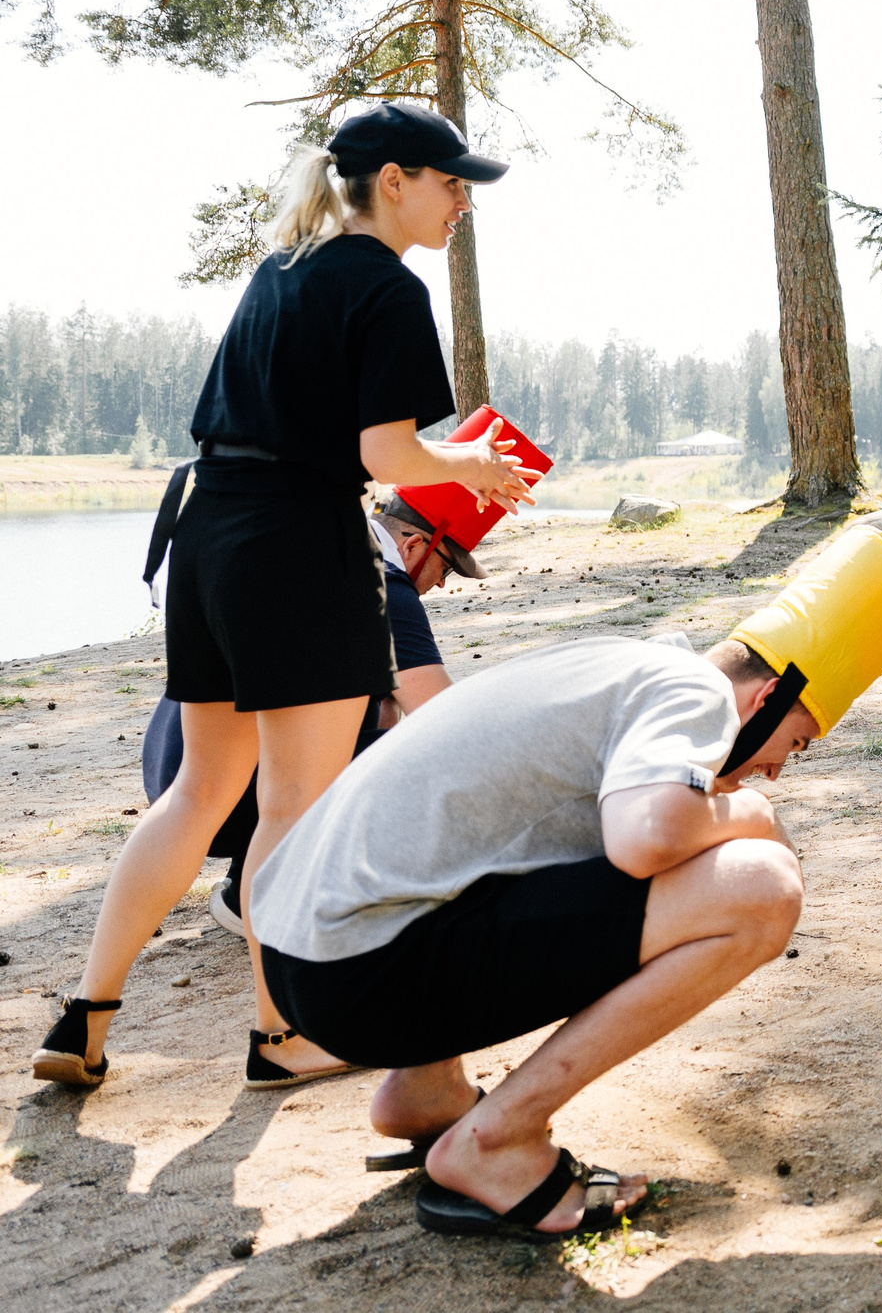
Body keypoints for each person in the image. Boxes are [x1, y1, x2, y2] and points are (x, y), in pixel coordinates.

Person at [34, 104, 539, 1094]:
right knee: (294, 804)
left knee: (200, 790)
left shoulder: (282, 269)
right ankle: (281, 1034)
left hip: (209, 532)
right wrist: (471, 464)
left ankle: (84, 1015)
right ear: (392, 179)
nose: (460, 205)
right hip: (297, 546)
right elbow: (384, 454)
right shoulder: (387, 286)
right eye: (449, 183)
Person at [253, 522, 882, 1238]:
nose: (776, 768)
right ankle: (497, 1141)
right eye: (794, 741)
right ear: (765, 696)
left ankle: (427, 1092)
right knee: (762, 886)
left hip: (307, 955)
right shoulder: (694, 691)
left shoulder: (626, 667)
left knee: (514, 844)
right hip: (357, 973)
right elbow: (646, 839)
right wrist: (751, 811)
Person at [140, 492, 480, 937]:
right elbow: (444, 721)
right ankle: (283, 891)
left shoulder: (305, 548)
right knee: (424, 756)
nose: (441, 584)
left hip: (171, 773)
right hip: (234, 791)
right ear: (414, 544)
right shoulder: (383, 584)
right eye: (447, 566)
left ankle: (254, 872)